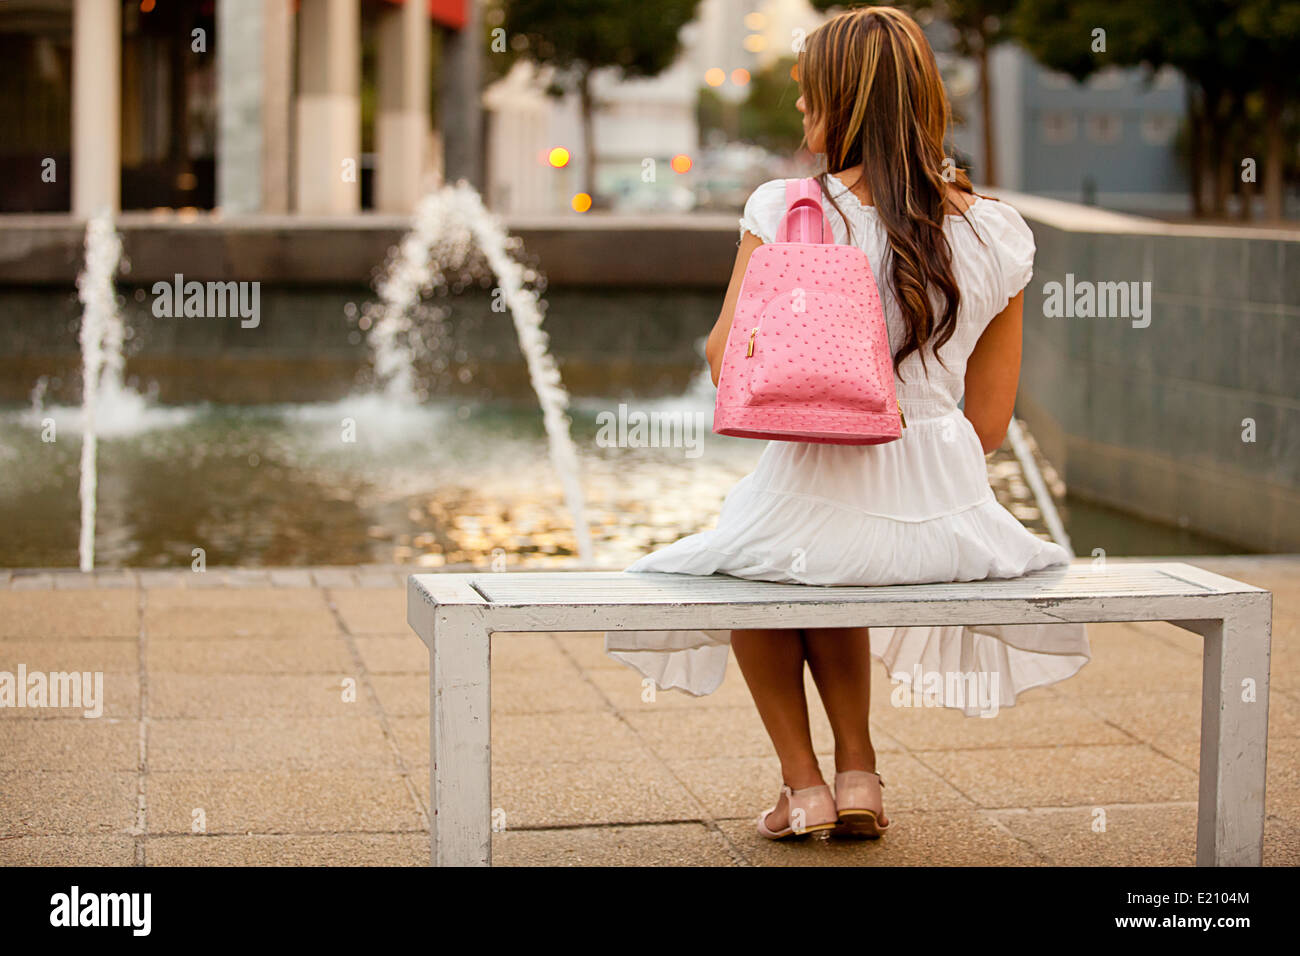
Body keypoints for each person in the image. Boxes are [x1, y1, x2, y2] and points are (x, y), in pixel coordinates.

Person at [604, 5, 1089, 842]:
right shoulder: (998, 230)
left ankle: (805, 787)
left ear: (845, 101)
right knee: (821, 549)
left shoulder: (788, 207)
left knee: (747, 567)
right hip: (958, 519)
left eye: (806, 95)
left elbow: (729, 362)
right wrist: (916, 472)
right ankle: (856, 770)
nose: (799, 112)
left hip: (820, 479)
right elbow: (991, 420)